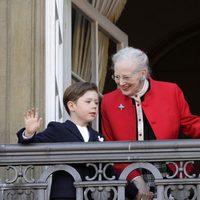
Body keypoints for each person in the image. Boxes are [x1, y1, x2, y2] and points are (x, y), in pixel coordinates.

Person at [101, 47, 200, 196]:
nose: (121, 83)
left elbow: (190, 124)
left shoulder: (170, 91)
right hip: (127, 173)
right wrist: (134, 178)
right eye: (116, 76)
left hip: (168, 170)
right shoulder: (108, 101)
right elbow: (110, 144)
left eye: (126, 77)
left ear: (143, 74)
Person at [17, 82, 140, 200]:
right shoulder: (58, 129)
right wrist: (29, 133)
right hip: (66, 195)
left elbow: (110, 172)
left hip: (93, 195)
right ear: (72, 106)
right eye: (88, 102)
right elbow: (31, 146)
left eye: (96, 103)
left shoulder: (98, 137)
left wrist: (136, 193)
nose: (94, 106)